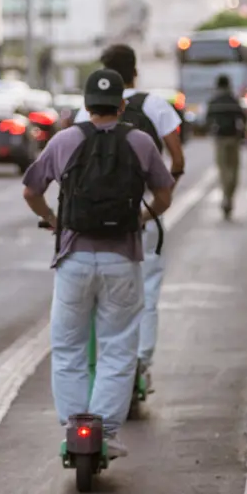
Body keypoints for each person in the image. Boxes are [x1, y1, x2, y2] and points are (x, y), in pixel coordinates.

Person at [23, 68, 175, 460]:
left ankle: (76, 426)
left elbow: (31, 189)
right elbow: (164, 192)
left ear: (86, 106)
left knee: (69, 346)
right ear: (122, 105)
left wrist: (54, 220)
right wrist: (142, 219)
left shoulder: (65, 140)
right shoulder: (140, 141)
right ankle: (104, 431)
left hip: (74, 258)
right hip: (121, 259)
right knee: (119, 347)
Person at [74, 44, 185, 392]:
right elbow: (178, 161)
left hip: (92, 223)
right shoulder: (154, 105)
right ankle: (140, 363)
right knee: (147, 291)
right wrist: (155, 200)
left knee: (96, 296)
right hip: (143, 215)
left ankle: (103, 366)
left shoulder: (85, 112)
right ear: (135, 71)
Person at [205, 74, 245, 219]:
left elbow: (208, 120)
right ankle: (229, 196)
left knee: (223, 170)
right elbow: (242, 118)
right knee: (234, 169)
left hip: (220, 139)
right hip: (233, 138)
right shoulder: (233, 100)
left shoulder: (214, 101)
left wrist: (213, 130)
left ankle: (226, 196)